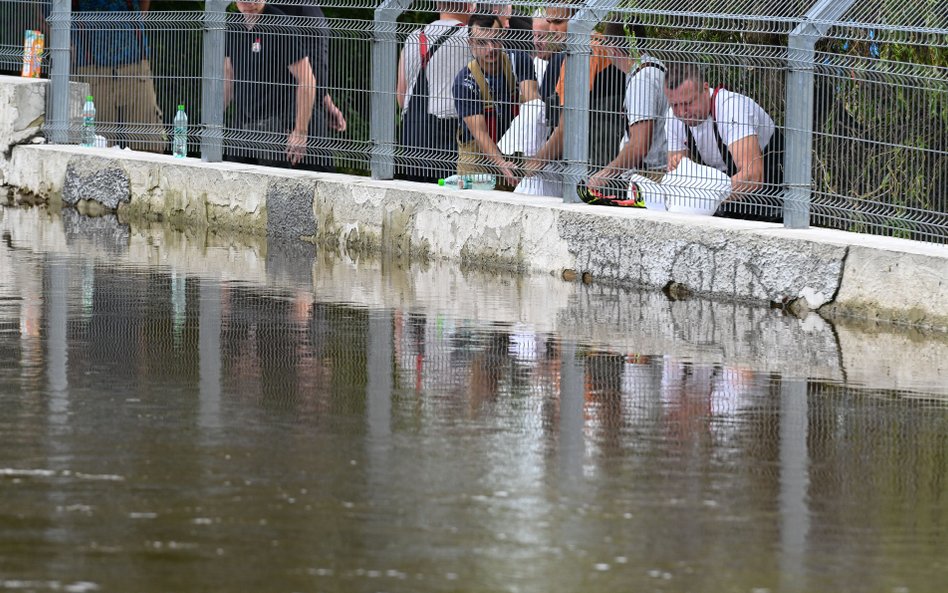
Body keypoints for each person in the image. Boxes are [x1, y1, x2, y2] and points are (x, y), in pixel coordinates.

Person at [663, 62, 784, 221]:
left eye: (688, 103)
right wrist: (678, 165)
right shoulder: (673, 118)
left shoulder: (731, 108)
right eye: (674, 105)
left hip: (772, 192)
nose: (681, 112)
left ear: (705, 89)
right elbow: (678, 179)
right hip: (727, 192)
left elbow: (752, 176)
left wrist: (701, 198)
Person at [224, 0, 317, 168]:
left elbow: (307, 80)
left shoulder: (281, 24)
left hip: (276, 126)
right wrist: (212, 120)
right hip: (242, 124)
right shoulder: (232, 25)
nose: (248, 3)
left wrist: (300, 131)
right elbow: (227, 77)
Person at [586, 20, 668, 195]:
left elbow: (639, 145)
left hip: (650, 178)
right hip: (649, 174)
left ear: (613, 48)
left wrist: (605, 174)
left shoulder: (642, 80)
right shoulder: (651, 69)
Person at [72, 0, 165, 152]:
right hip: (93, 72)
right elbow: (44, 15)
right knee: (97, 146)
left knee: (146, 144)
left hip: (135, 68)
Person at [396, 2, 473, 182]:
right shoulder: (469, 37)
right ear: (470, 5)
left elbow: (401, 93)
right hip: (447, 132)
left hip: (411, 131)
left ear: (438, 4)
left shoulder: (413, 37)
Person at [276, 0, 346, 172]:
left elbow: (312, 67)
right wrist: (299, 129)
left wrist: (326, 101)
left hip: (308, 107)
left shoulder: (305, 8)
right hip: (295, 113)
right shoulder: (289, 9)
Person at [452, 13, 518, 187]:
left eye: (495, 40)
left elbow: (532, 102)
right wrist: (501, 163)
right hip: (476, 169)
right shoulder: (465, 82)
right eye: (482, 43)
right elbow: (480, 133)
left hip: (511, 164)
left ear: (503, 35)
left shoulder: (516, 62)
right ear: (471, 43)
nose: (491, 49)